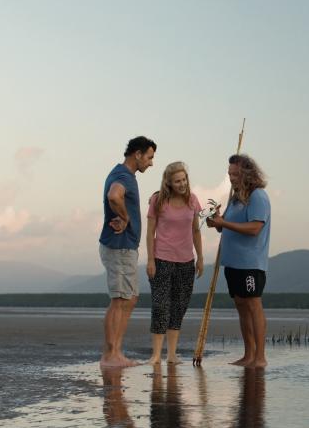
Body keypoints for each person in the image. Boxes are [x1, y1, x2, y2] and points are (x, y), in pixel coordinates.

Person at [207, 154, 271, 368]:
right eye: (229, 174)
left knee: (253, 305)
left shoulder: (258, 196)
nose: (232, 178)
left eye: (235, 174)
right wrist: (216, 221)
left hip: (250, 263)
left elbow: (254, 228)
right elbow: (222, 226)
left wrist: (224, 223)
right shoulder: (235, 198)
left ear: (247, 173)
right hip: (231, 263)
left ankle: (260, 357)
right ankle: (248, 355)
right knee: (241, 307)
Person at [99, 136, 156, 367]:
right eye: (149, 157)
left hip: (125, 247)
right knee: (120, 299)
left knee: (130, 298)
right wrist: (125, 217)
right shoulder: (123, 176)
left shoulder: (124, 174)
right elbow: (114, 195)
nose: (151, 163)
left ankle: (116, 352)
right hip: (119, 247)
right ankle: (110, 355)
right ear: (137, 154)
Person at [145, 161, 204, 365]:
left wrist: (201, 258)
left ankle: (171, 355)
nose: (182, 184)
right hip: (161, 259)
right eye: (177, 181)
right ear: (168, 183)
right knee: (160, 306)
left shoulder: (193, 200)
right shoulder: (157, 200)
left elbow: (196, 231)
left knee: (179, 307)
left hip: (186, 261)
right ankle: (156, 355)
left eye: (184, 179)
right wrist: (150, 259)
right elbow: (150, 232)